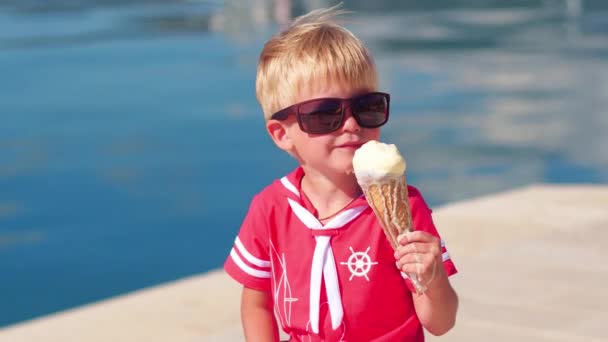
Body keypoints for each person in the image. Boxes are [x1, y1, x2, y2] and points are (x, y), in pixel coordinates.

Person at [223, 5, 458, 341]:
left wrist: (433, 279)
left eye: (367, 107)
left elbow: (440, 322)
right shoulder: (270, 209)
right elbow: (256, 302)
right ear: (282, 134)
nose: (351, 125)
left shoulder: (403, 207)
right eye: (325, 114)